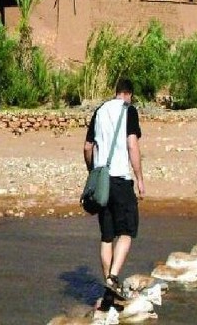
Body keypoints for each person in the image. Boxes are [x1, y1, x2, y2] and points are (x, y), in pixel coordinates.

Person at [83, 78, 145, 306]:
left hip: (102, 181)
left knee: (107, 236)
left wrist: (93, 172)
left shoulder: (99, 111)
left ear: (116, 91)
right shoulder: (129, 111)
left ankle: (108, 288)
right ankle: (113, 277)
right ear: (128, 94)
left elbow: (87, 147)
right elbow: (132, 145)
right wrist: (139, 178)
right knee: (127, 231)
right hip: (120, 179)